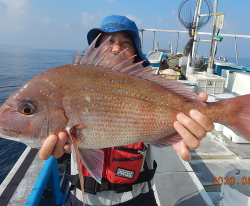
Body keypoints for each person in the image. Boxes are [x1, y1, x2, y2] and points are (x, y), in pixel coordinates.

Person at [39, 15, 214, 205]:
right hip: (82, 198)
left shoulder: (147, 87)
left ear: (136, 53)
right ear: (96, 49)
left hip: (136, 199)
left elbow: (164, 123)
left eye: (125, 42)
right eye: (109, 41)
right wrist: (62, 149)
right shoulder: (73, 86)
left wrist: (178, 134)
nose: (116, 48)